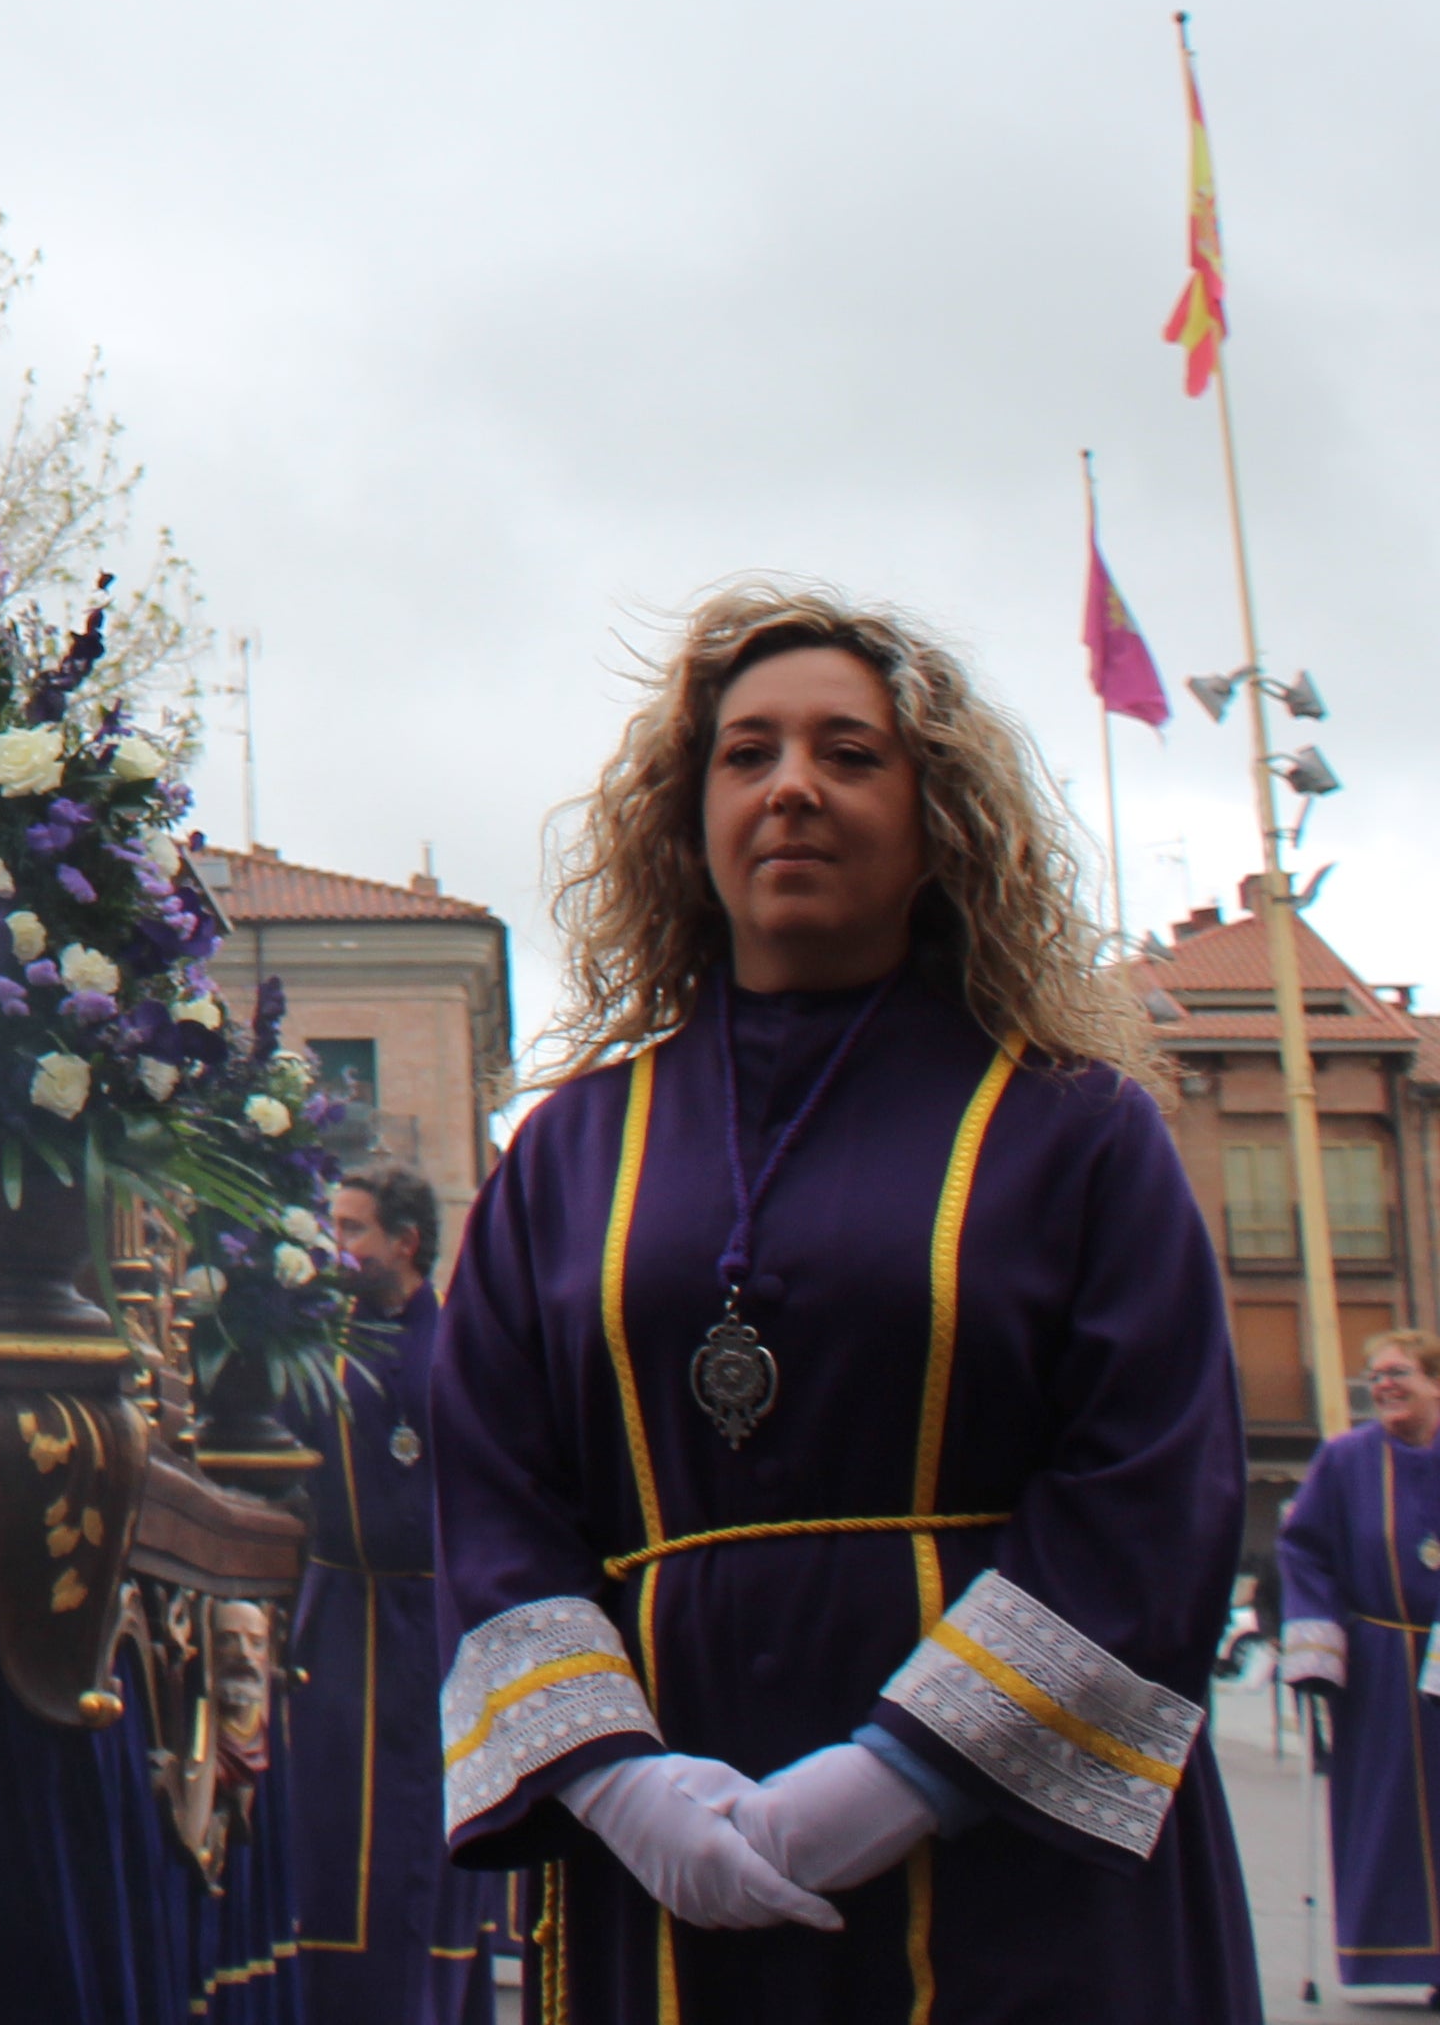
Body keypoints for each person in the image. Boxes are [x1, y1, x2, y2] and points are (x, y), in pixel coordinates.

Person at [432, 587, 1252, 2019]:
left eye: (850, 753)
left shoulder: (1077, 1132)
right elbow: (494, 1492)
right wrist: (614, 1782)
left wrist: (913, 1772)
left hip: (1015, 1866)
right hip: (668, 1850)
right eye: (746, 755)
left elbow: (1152, 1485)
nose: (792, 786)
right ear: (690, 820)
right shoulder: (567, 1152)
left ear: (940, 821)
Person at [266, 1159, 506, 2022]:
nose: (338, 1245)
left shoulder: (470, 1349)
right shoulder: (313, 1350)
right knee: (338, 1839)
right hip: (341, 1627)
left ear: (406, 1242)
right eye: (334, 1227)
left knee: (435, 1843)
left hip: (445, 1632)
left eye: (354, 1229)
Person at [1273, 1325, 1440, 1994]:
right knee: (1389, 1809)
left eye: (1399, 1372)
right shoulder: (1345, 1461)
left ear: (1435, 1381)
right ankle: (1405, 1955)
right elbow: (1304, 1549)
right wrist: (1317, 1648)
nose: (1385, 1386)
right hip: (1381, 1662)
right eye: (1376, 1376)